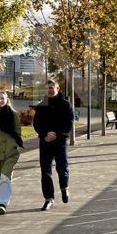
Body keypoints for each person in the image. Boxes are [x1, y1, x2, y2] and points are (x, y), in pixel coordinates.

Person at [32, 80, 74, 211]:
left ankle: (64, 187)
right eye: (47, 88)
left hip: (60, 142)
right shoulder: (41, 106)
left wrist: (56, 134)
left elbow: (69, 124)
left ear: (57, 88)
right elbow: (36, 124)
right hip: (45, 142)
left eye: (51, 88)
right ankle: (48, 198)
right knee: (45, 171)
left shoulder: (65, 105)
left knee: (62, 168)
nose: (49, 90)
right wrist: (45, 134)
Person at [0, 91, 23, 215]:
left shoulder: (13, 115)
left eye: (2, 98)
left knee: (5, 177)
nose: (0, 100)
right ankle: (1, 197)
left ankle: (2, 203)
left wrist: (13, 145)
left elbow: (17, 133)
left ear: (7, 100)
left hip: (9, 151)